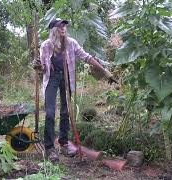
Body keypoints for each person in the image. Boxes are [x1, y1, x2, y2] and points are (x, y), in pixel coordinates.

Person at [37, 18, 116, 162]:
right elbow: (43, 68)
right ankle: (49, 148)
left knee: (66, 111)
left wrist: (105, 71)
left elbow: (86, 57)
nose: (63, 28)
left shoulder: (71, 43)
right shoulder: (46, 45)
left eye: (65, 26)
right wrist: (38, 66)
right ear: (54, 30)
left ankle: (64, 143)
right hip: (52, 78)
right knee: (49, 113)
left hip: (67, 78)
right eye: (60, 26)